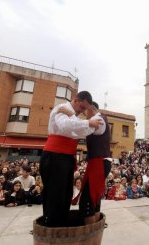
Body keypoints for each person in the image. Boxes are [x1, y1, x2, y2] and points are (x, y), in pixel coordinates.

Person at [40, 91, 102, 227]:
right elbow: (66, 126)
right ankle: (52, 227)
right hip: (55, 155)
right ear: (76, 99)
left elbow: (84, 130)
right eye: (81, 107)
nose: (82, 111)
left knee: (66, 194)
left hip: (66, 157)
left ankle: (60, 224)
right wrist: (86, 121)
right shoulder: (62, 109)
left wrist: (78, 118)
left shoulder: (72, 114)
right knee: (55, 194)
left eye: (85, 110)